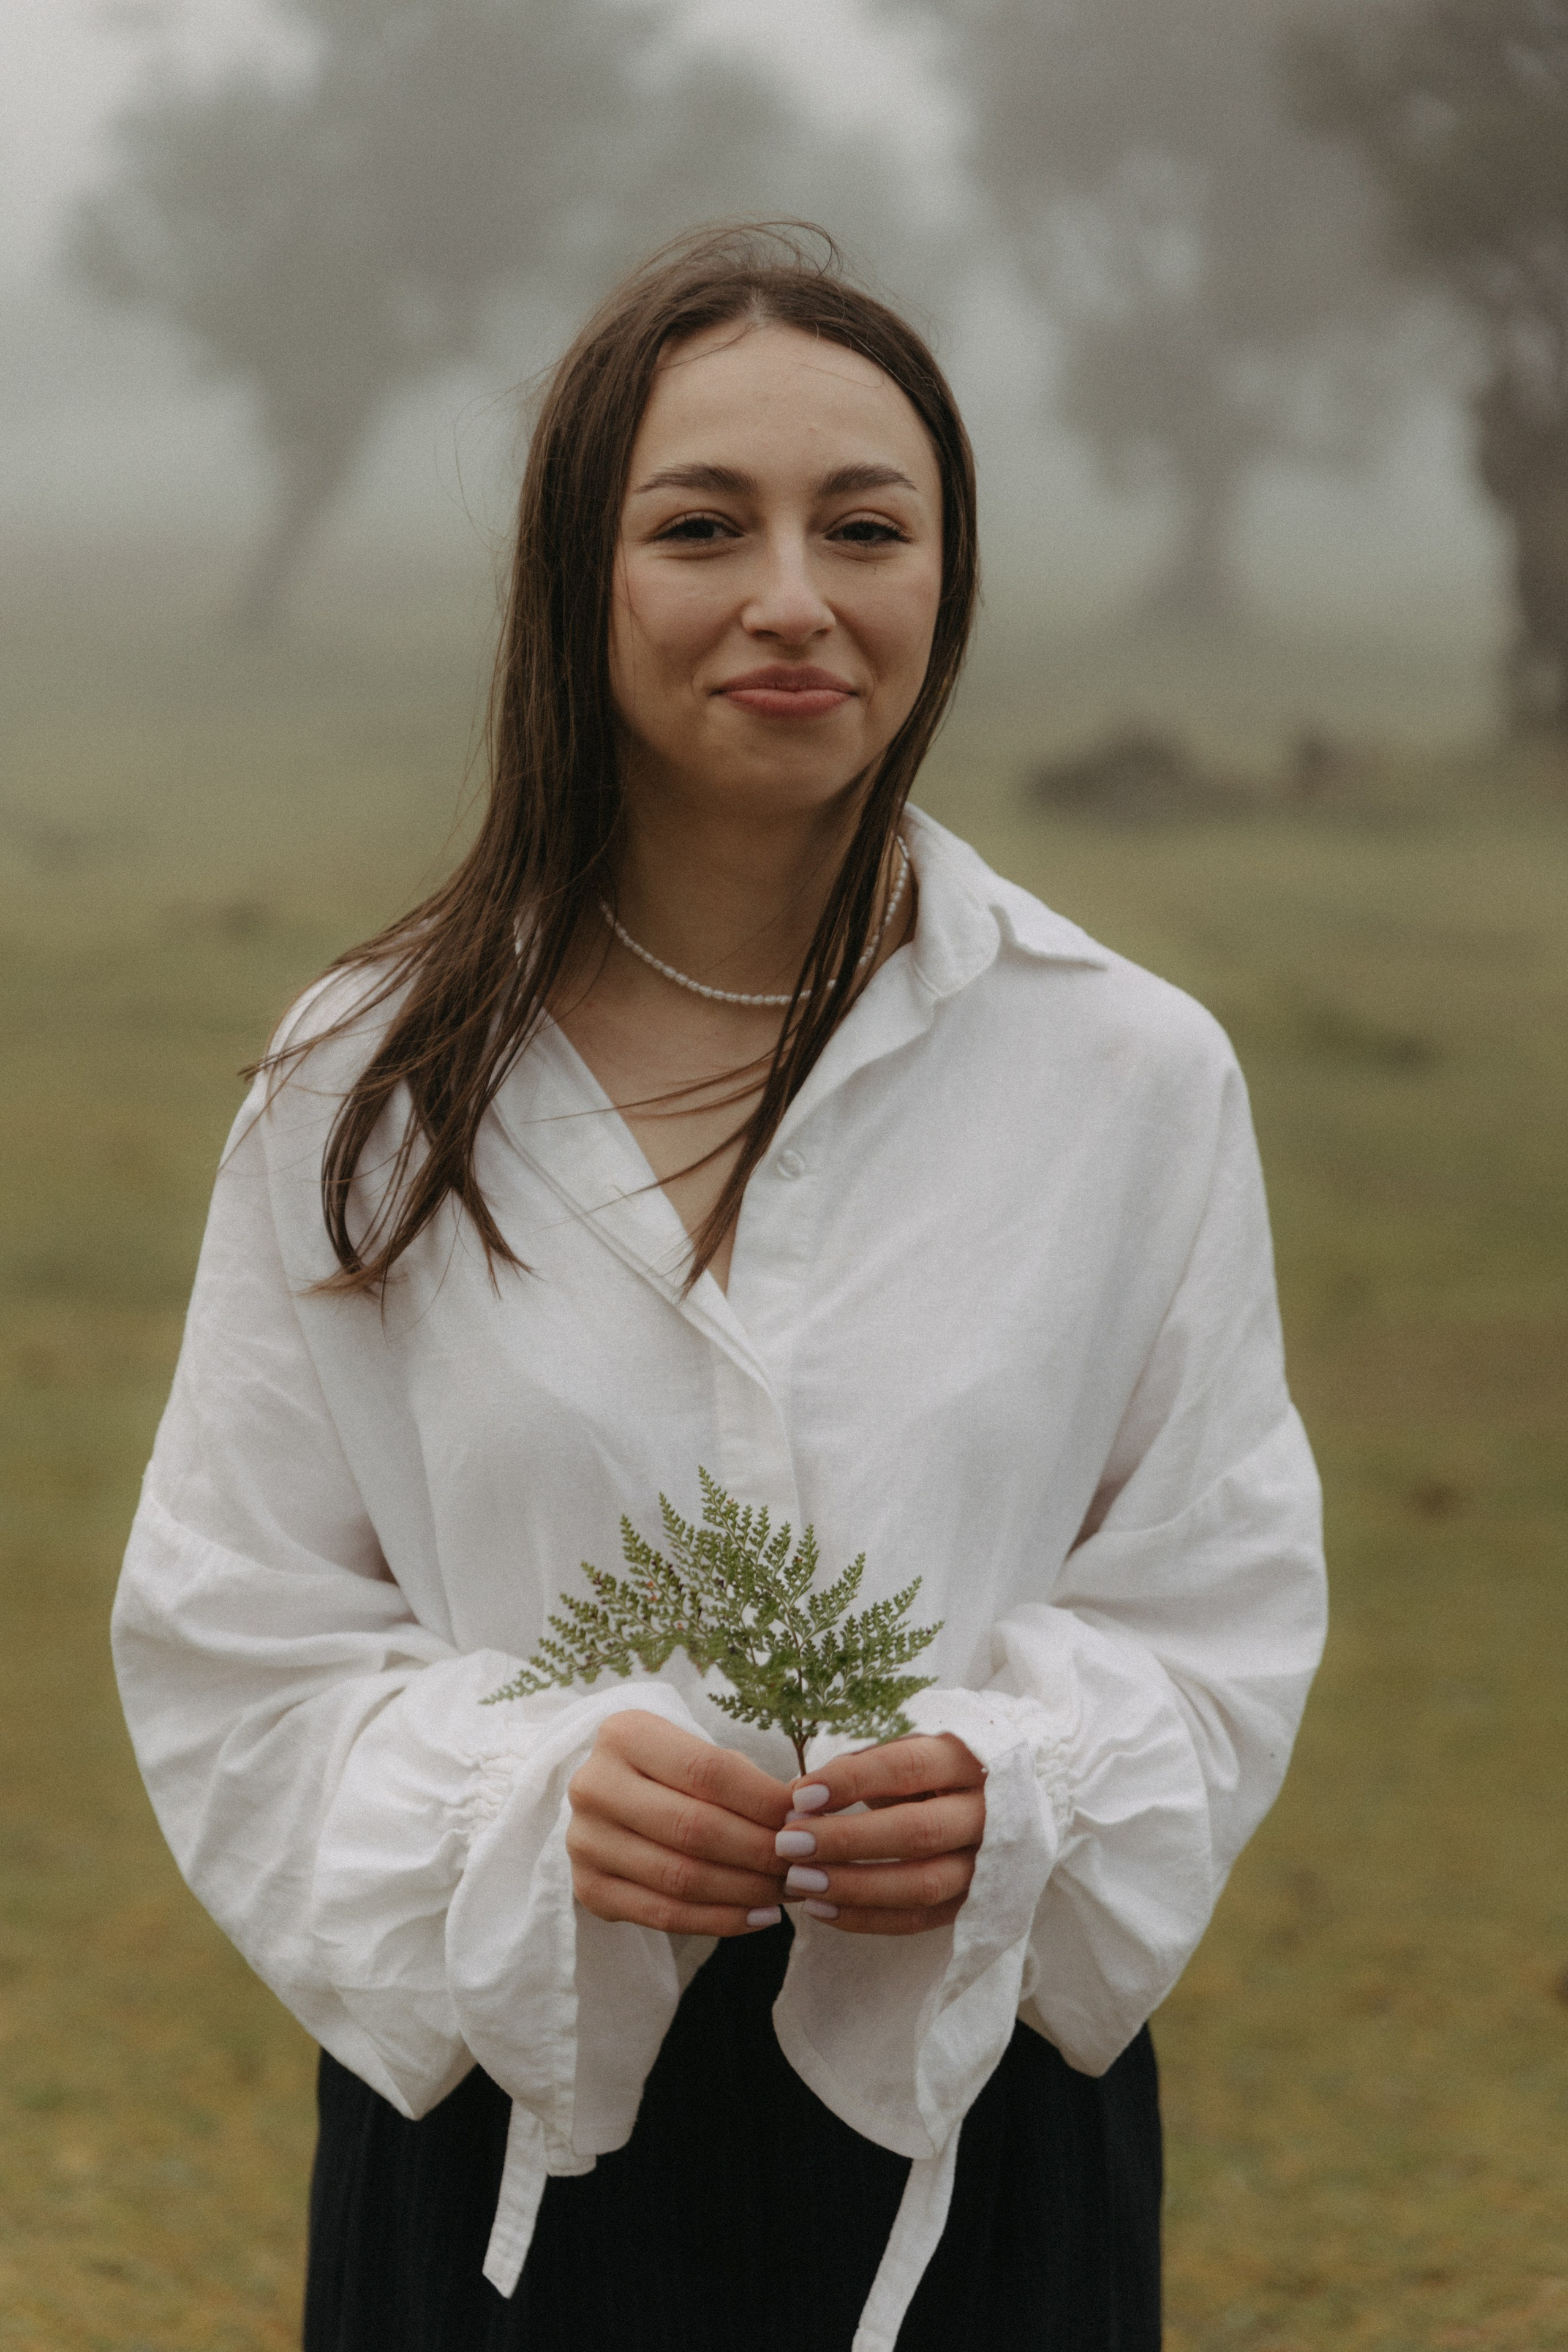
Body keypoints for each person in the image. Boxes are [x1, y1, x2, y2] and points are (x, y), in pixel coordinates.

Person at [112, 224, 1326, 2352]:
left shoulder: (1129, 1073)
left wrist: (1013, 1784)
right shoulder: (363, 1089)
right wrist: (526, 1799)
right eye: (701, 525)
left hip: (973, 2143)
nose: (794, 596)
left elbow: (1217, 1606)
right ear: (579, 577)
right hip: (509, 2144)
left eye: (867, 525)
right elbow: (236, 1640)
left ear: (944, 576)